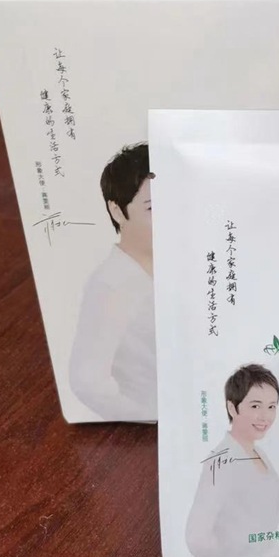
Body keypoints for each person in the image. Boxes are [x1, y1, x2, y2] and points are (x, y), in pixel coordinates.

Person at [69, 143, 157, 421]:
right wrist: (148, 415)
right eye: (153, 208)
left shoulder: (169, 265)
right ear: (117, 211)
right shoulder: (112, 285)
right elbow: (87, 380)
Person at [186, 364, 279, 557]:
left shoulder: (259, 453)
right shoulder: (222, 461)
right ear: (232, 408)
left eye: (271, 406)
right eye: (255, 406)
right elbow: (197, 539)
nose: (265, 416)